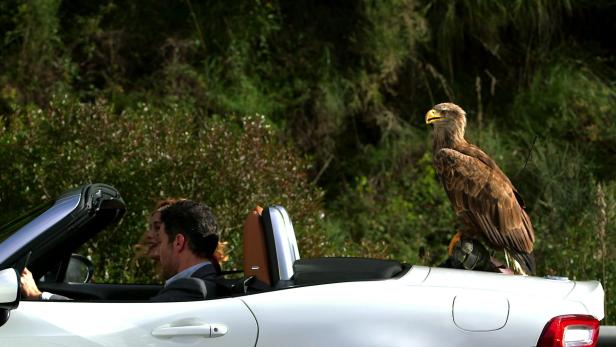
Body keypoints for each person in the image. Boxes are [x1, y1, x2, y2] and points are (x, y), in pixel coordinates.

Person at [21, 199, 225, 302]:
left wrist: (40, 297)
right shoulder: (205, 282)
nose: (157, 248)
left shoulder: (191, 290)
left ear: (179, 243)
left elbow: (122, 324)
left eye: (161, 240)